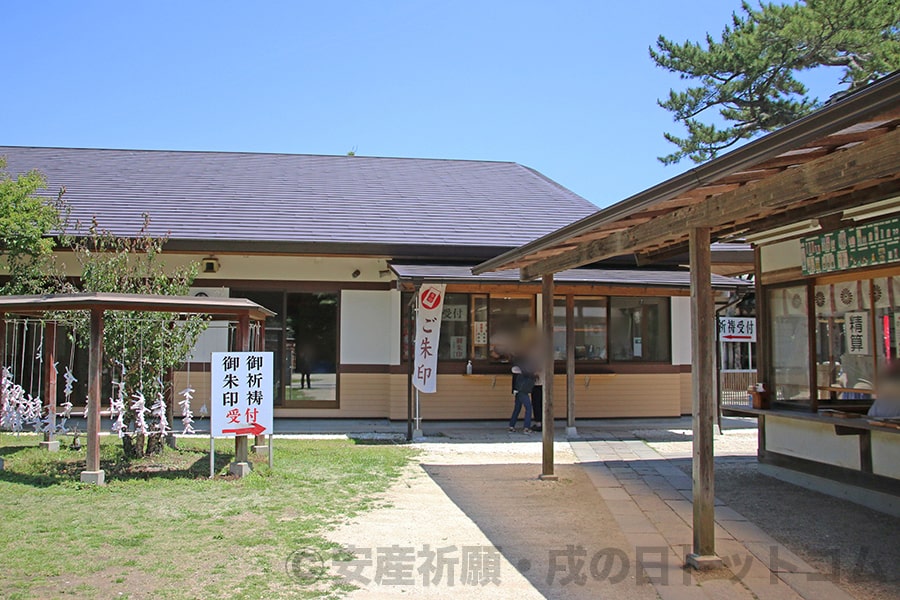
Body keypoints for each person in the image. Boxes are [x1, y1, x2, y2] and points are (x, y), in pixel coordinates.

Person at [509, 362, 534, 434]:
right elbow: (514, 369)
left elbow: (514, 369)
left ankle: (511, 426)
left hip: (518, 390)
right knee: (528, 408)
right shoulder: (525, 370)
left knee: (517, 408)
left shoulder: (521, 369)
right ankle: (526, 428)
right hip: (522, 391)